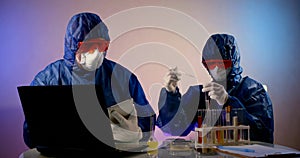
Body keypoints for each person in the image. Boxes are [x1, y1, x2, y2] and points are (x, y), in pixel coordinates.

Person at [23, 12, 156, 148]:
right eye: (89, 46)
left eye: (101, 45)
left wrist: (136, 135)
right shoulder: (49, 79)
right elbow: (32, 135)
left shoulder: (122, 78)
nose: (96, 52)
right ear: (73, 46)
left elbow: (147, 120)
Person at [156, 33, 274, 144]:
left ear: (233, 62)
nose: (217, 69)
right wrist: (171, 94)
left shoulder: (252, 90)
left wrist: (228, 101)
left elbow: (263, 135)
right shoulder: (201, 94)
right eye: (212, 64)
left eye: (223, 63)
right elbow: (175, 128)